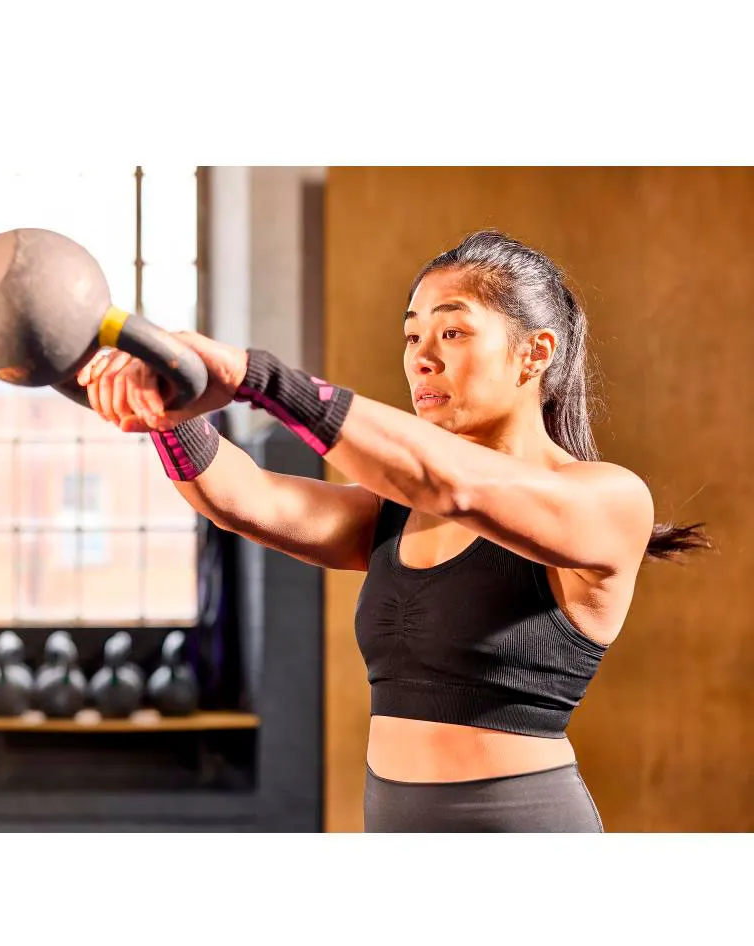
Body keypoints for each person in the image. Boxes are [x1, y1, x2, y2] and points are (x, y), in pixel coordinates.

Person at [77, 230, 709, 833]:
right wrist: (161, 410)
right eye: (412, 336)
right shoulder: (398, 512)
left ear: (535, 353)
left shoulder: (609, 499)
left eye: (453, 331)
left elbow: (456, 486)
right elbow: (244, 500)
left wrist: (258, 378)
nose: (422, 358)